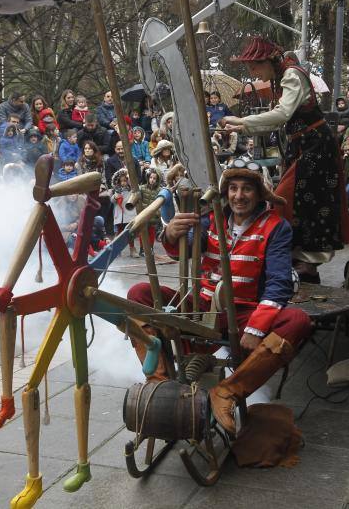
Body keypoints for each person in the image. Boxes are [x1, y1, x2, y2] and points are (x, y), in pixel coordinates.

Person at [126, 165, 311, 435]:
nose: (239, 195)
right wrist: (171, 233)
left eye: (247, 189)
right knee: (138, 294)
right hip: (200, 304)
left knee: (298, 320)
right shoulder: (212, 219)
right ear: (225, 192)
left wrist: (255, 328)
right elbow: (183, 251)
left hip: (243, 310)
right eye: (233, 188)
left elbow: (279, 284)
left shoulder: (276, 227)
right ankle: (159, 383)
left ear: (260, 194)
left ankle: (227, 392)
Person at [220, 37, 349, 283]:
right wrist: (241, 128)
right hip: (302, 145)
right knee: (296, 202)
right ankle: (297, 258)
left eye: (254, 66)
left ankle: (307, 262)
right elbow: (279, 121)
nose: (252, 72)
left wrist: (242, 122)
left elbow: (282, 115)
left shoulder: (291, 75)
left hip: (315, 146)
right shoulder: (281, 77)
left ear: (268, 61)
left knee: (290, 200)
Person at [111, 168, 137, 257]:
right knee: (119, 234)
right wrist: (115, 197)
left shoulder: (131, 190)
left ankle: (132, 249)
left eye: (125, 181)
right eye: (121, 181)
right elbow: (112, 200)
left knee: (130, 233)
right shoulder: (117, 191)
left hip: (128, 215)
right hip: (119, 216)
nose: (123, 183)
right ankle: (117, 250)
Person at [138, 168, 162, 256]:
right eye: (151, 178)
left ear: (157, 180)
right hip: (143, 215)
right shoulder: (142, 188)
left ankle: (150, 248)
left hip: (153, 216)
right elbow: (139, 201)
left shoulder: (159, 190)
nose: (152, 180)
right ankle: (142, 249)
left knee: (151, 232)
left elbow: (160, 204)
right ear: (148, 178)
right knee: (143, 232)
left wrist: (157, 213)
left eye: (154, 178)